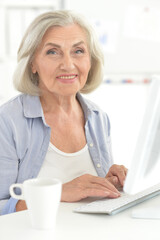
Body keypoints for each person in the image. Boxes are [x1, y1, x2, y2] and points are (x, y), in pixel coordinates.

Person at [0, 10, 127, 215]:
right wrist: (57, 192)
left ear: (90, 60)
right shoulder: (7, 122)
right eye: (52, 52)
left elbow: (90, 197)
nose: (68, 64)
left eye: (78, 51)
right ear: (32, 63)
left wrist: (112, 183)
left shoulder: (97, 117)